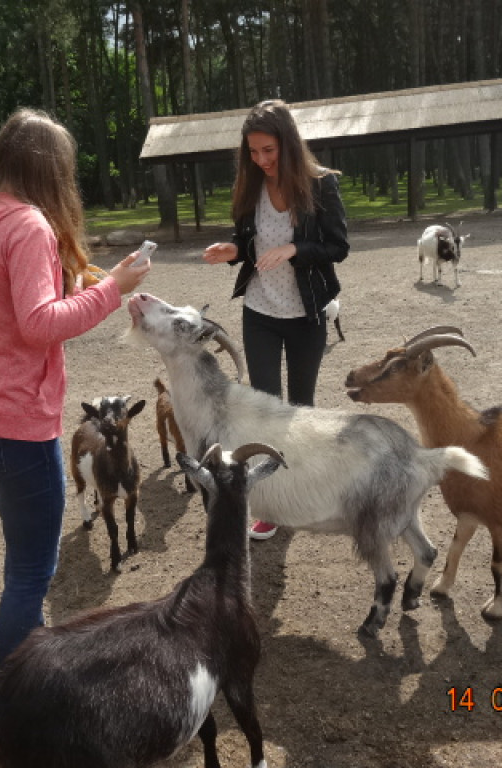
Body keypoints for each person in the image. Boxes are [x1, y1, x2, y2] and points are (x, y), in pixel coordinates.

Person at [0, 108, 150, 677]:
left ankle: (7, 692)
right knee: (33, 572)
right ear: (50, 169)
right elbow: (37, 325)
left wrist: (68, 281)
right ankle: (6, 701)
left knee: (22, 557)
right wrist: (111, 290)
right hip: (12, 421)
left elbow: (2, 300)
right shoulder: (28, 224)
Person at [203, 99, 349, 540]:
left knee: (301, 410)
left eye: (269, 151)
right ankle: (271, 505)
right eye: (254, 152)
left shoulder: (320, 186)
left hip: (306, 313)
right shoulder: (251, 188)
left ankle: (304, 492)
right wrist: (234, 251)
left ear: (288, 144)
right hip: (260, 312)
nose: (262, 161)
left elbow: (337, 247)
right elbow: (248, 242)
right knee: (266, 411)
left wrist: (294, 250)